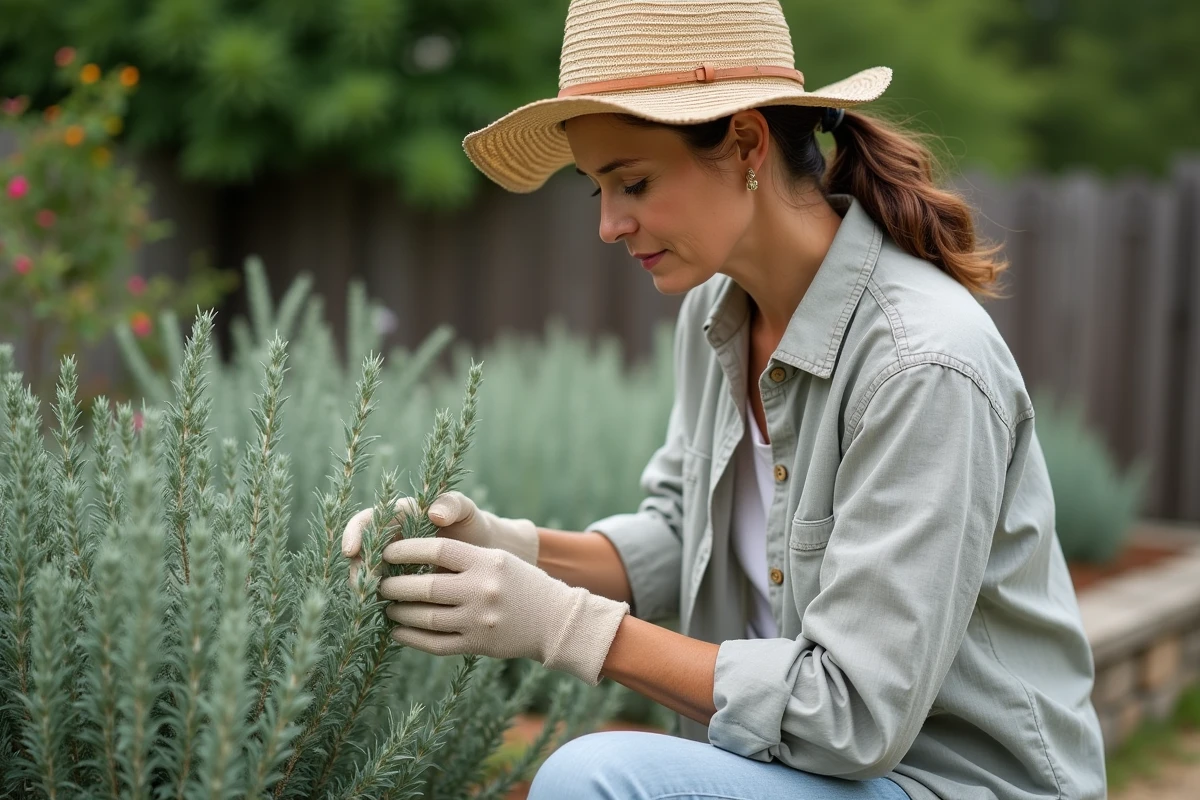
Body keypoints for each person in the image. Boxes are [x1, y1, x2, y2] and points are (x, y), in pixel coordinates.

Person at [340, 1, 1107, 797]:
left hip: (945, 782)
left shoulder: (922, 364)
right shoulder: (715, 315)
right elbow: (682, 535)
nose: (608, 225)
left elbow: (851, 713)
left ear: (745, 142)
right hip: (801, 771)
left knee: (594, 778)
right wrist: (510, 549)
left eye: (632, 182)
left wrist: (562, 625)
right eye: (595, 190)